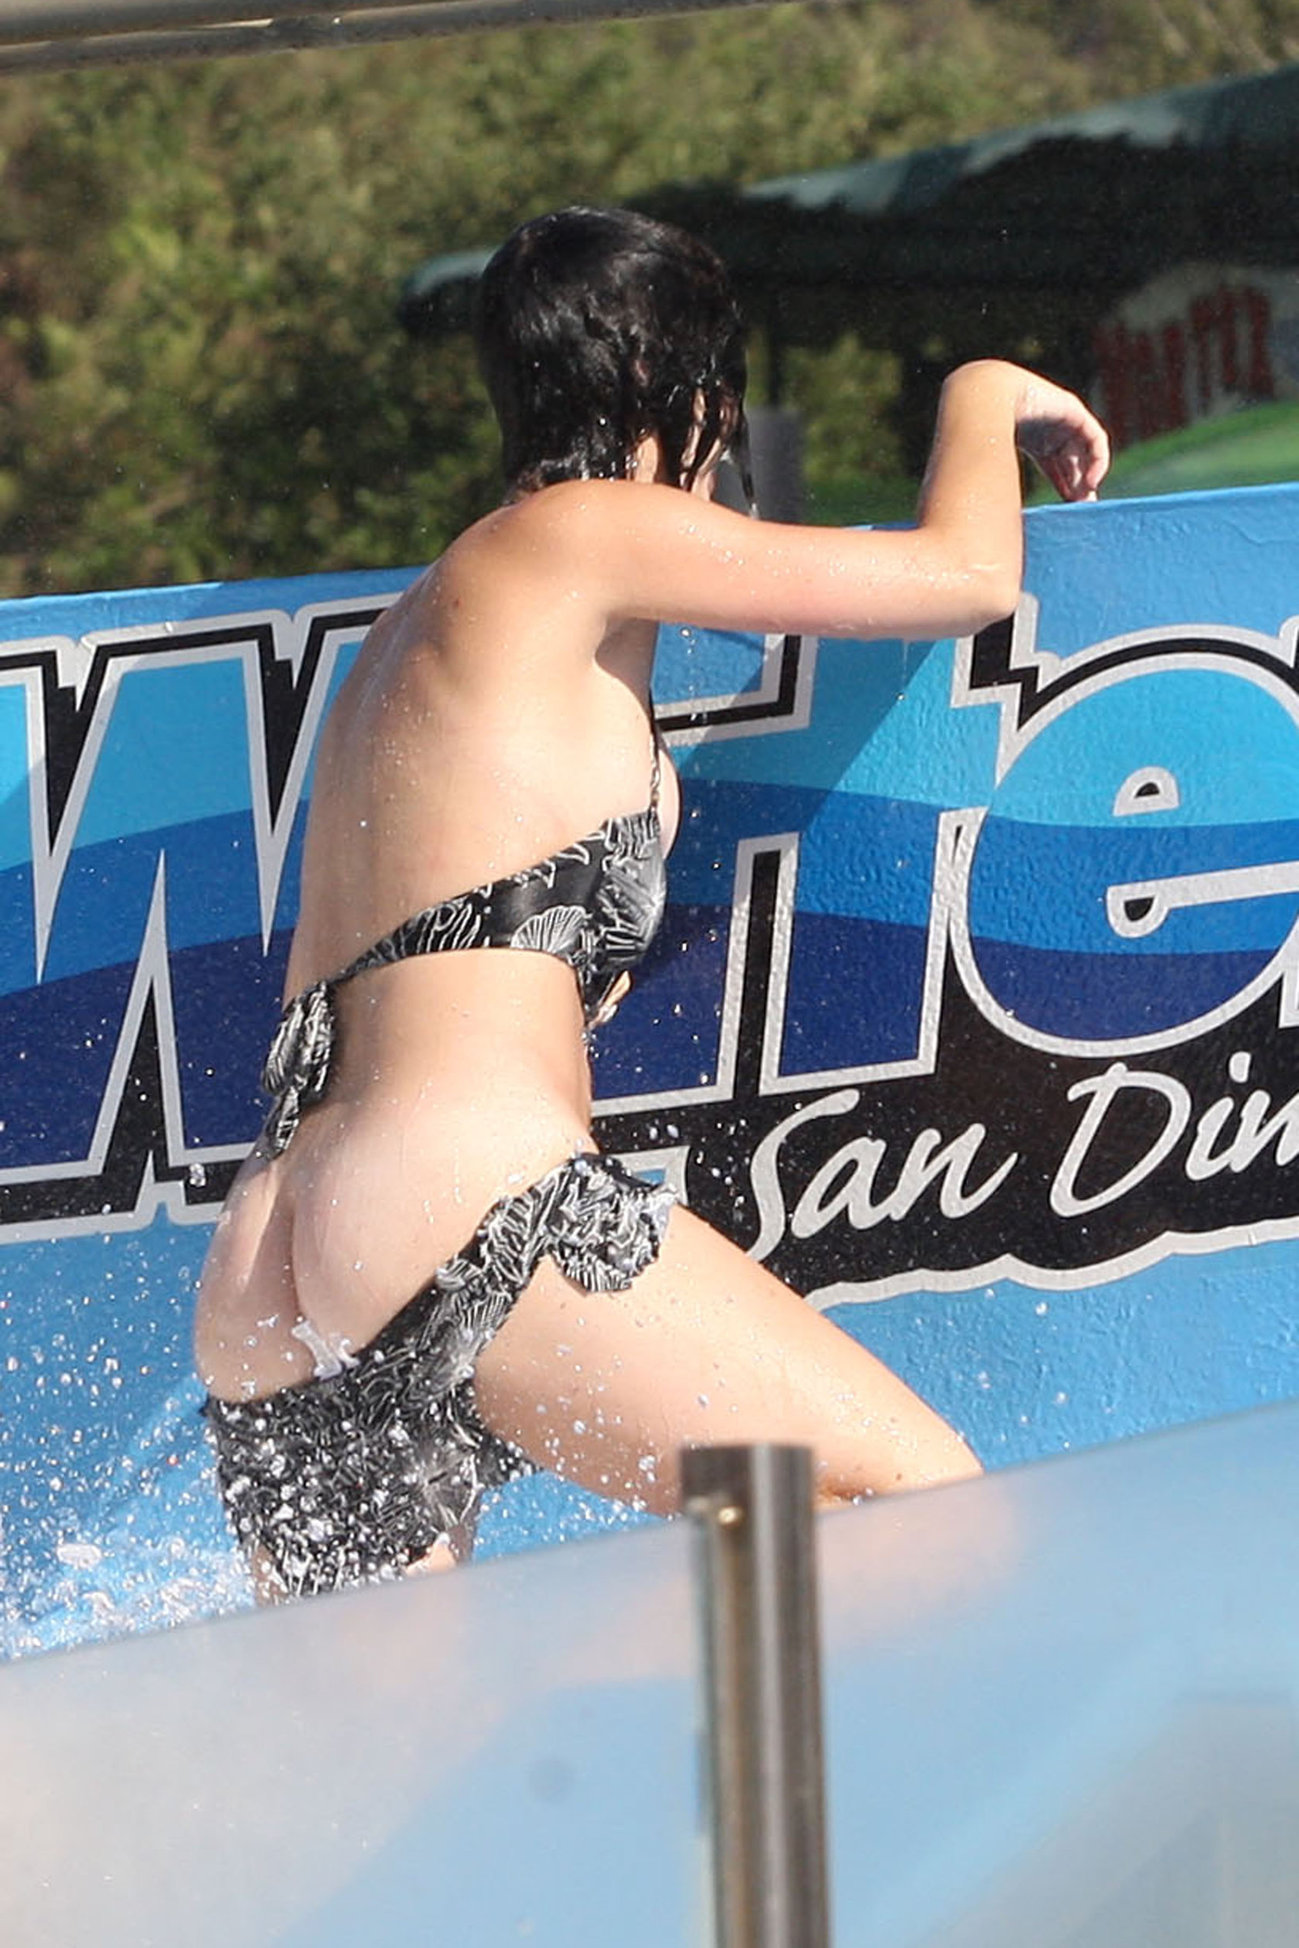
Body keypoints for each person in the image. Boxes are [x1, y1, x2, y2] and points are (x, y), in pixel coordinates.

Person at [194, 206, 1109, 1599]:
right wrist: (983, 397)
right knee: (935, 1512)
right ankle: (572, 1724)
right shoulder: (584, 533)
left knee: (378, 1776)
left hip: (277, 1247)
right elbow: (965, 579)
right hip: (462, 1195)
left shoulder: (416, 628)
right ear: (690, 402)